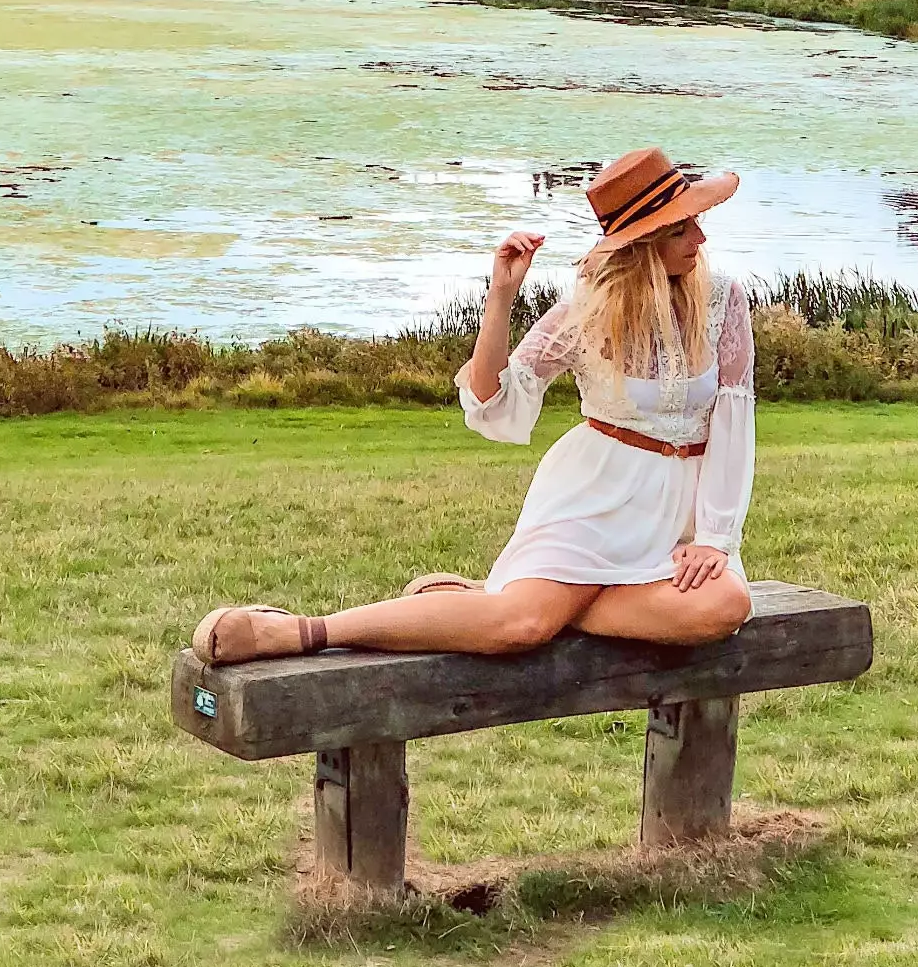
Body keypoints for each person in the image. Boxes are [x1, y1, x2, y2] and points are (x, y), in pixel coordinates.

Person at [192, 148, 756, 665]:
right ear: (640, 245)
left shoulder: (723, 298)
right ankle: (302, 630)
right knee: (522, 627)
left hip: (677, 518)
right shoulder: (585, 313)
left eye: (696, 221)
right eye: (682, 228)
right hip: (599, 499)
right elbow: (496, 404)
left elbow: (733, 421)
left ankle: (490, 601)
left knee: (725, 604)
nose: (700, 239)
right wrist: (501, 296)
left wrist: (713, 538)